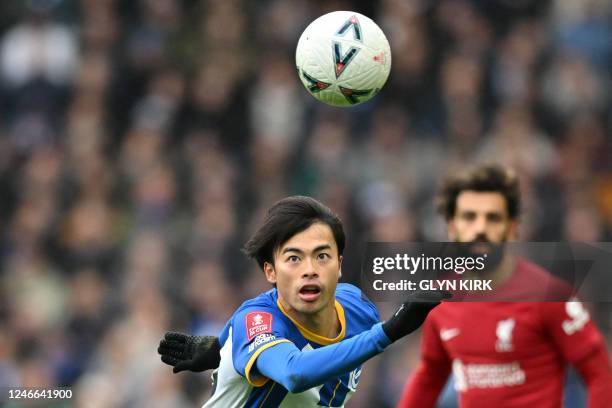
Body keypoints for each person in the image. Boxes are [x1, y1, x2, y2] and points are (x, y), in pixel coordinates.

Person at [158, 195, 449, 407]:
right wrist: (389, 332)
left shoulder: (359, 311)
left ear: (339, 265)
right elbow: (294, 373)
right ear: (270, 271)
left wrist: (220, 350)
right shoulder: (259, 318)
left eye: (322, 256)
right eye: (294, 258)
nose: (309, 269)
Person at [397, 165, 612, 408]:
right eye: (469, 217)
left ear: (512, 228)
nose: (480, 229)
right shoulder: (440, 299)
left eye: (493, 218)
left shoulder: (550, 295)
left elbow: (599, 372)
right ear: (452, 227)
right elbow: (430, 376)